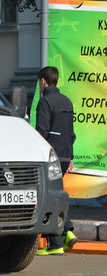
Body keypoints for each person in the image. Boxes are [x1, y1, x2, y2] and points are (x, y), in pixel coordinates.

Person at [34, 66, 78, 256]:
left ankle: (59, 240)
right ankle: (62, 237)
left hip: (49, 156)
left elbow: (42, 132)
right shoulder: (67, 101)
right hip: (65, 155)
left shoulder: (45, 102)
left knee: (48, 196)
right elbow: (71, 133)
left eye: (39, 83)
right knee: (55, 194)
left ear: (43, 81)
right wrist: (70, 158)